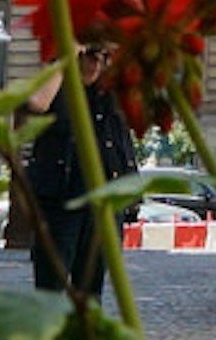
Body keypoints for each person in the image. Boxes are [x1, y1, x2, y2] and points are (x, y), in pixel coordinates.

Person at [26, 96, 136, 302]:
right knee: (50, 292)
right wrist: (60, 65)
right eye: (90, 60)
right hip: (61, 199)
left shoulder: (107, 91)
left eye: (101, 60)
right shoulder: (59, 87)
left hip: (104, 202)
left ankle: (86, 333)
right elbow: (36, 104)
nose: (95, 65)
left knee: (91, 295)